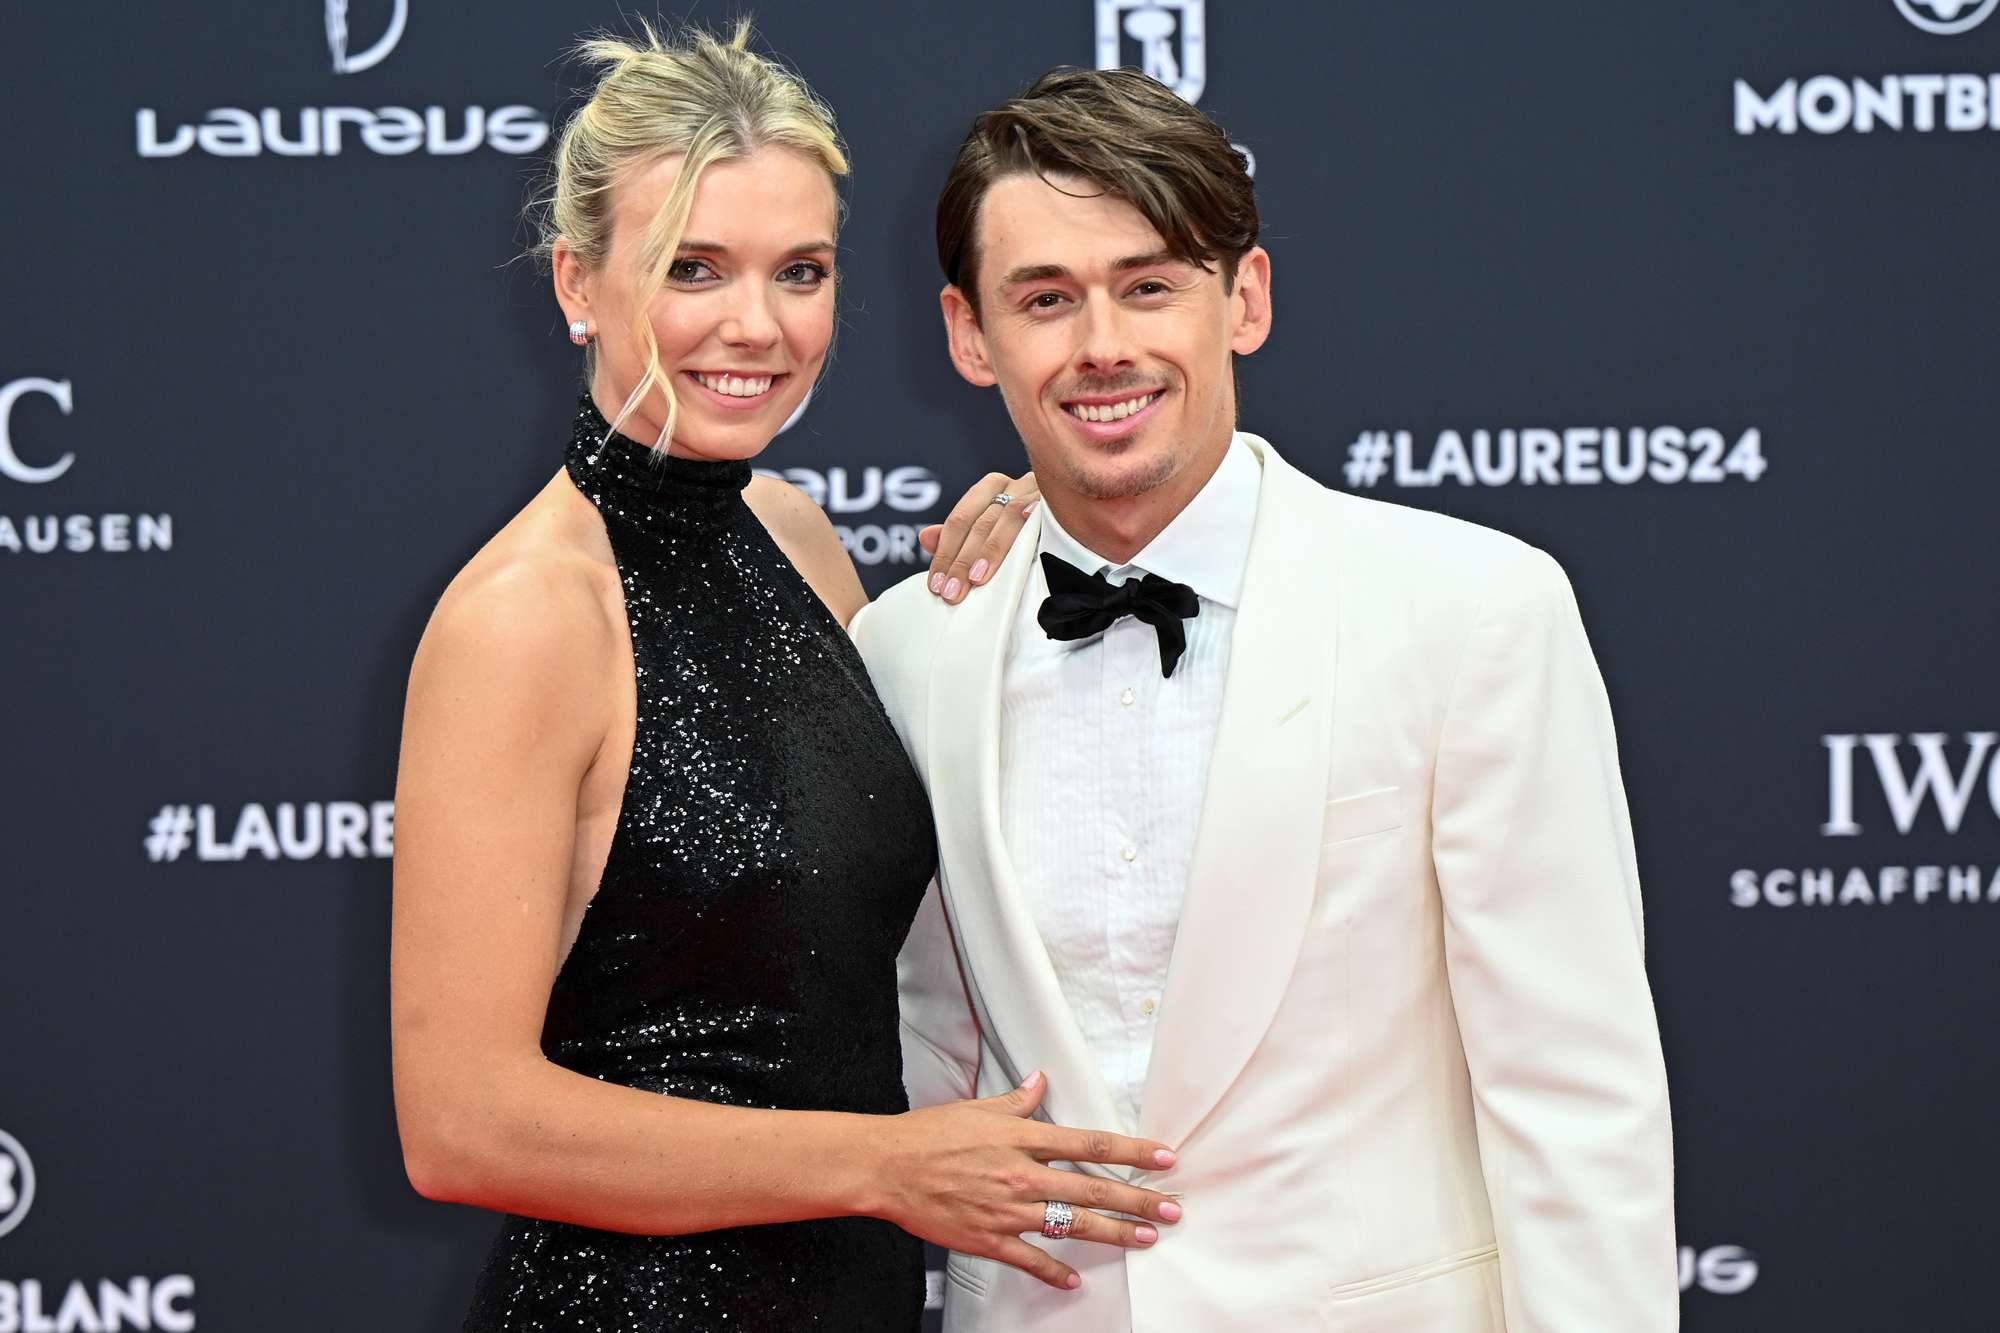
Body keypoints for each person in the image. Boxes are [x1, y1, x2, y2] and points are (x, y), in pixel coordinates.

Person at [855, 66, 1678, 1331]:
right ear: (970, 336)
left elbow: (1574, 1096)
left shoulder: (1471, 609)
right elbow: (909, 1055)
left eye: (1148, 285)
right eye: (1045, 300)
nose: (1103, 346)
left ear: (1244, 297)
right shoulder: (910, 648)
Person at [388, 27, 1184, 1332]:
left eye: (798, 271)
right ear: (578, 282)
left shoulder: (797, 534)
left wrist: (1028, 528)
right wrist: (882, 1164)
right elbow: (461, 1122)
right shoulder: (528, 615)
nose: (756, 325)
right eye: (694, 269)